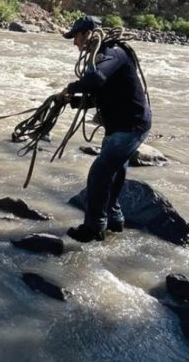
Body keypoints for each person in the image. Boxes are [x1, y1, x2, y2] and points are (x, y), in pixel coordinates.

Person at [55, 15, 152, 243]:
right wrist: (71, 101)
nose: (75, 43)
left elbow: (96, 79)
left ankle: (94, 227)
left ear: (86, 33)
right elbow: (99, 95)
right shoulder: (104, 57)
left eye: (76, 37)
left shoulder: (112, 52)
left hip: (130, 126)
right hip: (122, 124)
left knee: (99, 174)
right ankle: (114, 220)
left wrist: (70, 87)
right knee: (114, 173)